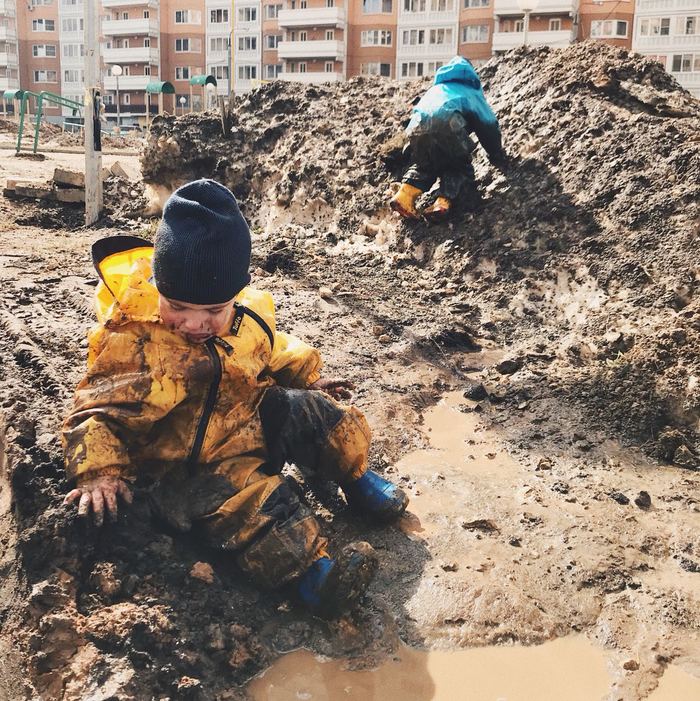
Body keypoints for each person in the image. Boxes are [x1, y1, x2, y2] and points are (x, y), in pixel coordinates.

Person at [62, 179, 409, 619]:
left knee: (317, 413)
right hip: (193, 465)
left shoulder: (250, 315)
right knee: (261, 506)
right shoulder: (134, 338)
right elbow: (96, 410)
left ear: (236, 296)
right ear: (159, 287)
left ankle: (355, 478)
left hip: (248, 419)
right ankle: (315, 580)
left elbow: (275, 348)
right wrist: (100, 472)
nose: (194, 323)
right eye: (178, 306)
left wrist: (308, 377)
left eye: (213, 311)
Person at [390, 56, 507, 221]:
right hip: (447, 124)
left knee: (425, 165)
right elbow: (488, 124)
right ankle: (442, 203)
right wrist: (495, 153)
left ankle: (404, 196)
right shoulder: (469, 91)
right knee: (457, 167)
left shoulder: (435, 90)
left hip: (416, 129)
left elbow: (417, 114)